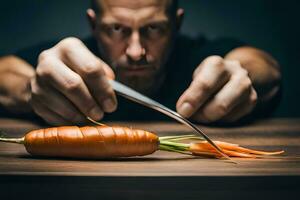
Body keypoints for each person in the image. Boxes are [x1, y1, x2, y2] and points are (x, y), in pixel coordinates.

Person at [0, 0, 281, 125]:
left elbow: (264, 66)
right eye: (117, 30)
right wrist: (31, 88)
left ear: (176, 23)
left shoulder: (200, 56)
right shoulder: (69, 59)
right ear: (93, 25)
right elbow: (5, 71)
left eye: (153, 28)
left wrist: (243, 76)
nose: (136, 51)